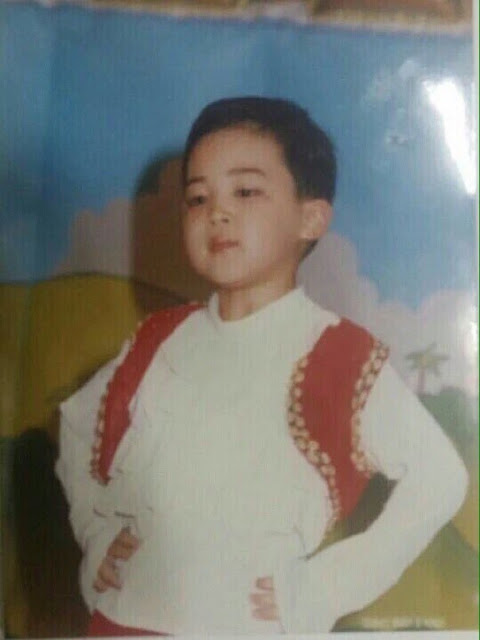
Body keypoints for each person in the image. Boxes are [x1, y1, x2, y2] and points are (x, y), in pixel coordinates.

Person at [56, 97, 468, 636]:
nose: (217, 213)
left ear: (311, 217)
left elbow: (441, 479)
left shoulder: (339, 357)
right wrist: (97, 531)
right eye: (197, 198)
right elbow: (78, 425)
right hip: (123, 621)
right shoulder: (158, 340)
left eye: (246, 192)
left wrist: (328, 585)